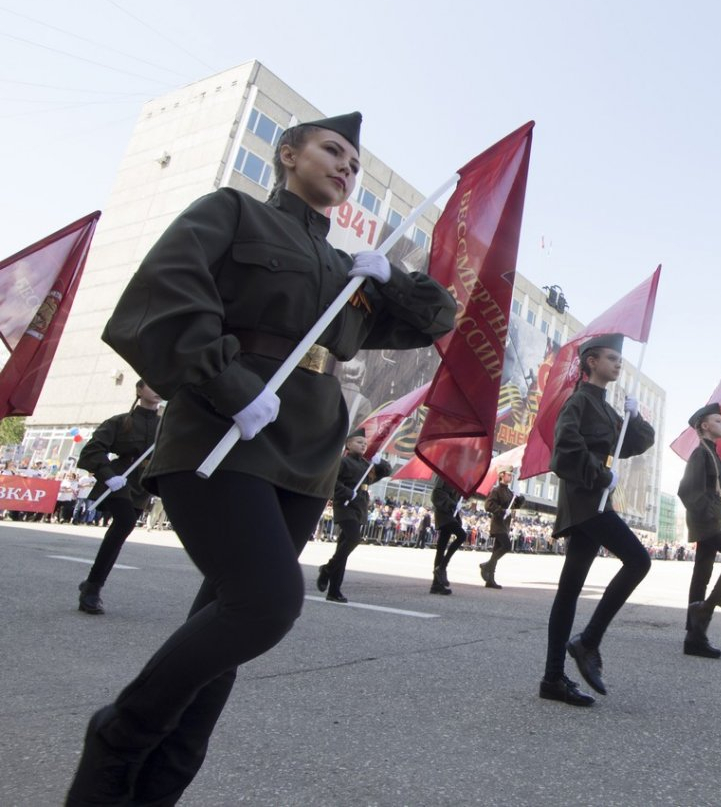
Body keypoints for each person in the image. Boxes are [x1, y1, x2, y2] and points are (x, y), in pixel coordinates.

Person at [66, 111, 457, 806]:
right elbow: (167, 291)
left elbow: (436, 319)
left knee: (222, 643)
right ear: (287, 155)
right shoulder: (233, 212)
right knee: (265, 604)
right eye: (332, 151)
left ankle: (154, 789)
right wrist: (225, 383)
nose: (346, 167)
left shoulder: (347, 268)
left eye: (355, 164)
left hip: (307, 451)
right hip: (227, 429)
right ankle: (118, 738)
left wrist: (390, 275)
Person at [540, 333, 654, 707]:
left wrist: (636, 418)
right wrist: (601, 475)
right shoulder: (578, 401)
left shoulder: (605, 408)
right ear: (591, 362)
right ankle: (587, 642)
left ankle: (553, 678)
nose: (618, 364)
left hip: (595, 496)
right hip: (587, 496)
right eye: (611, 358)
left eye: (619, 359)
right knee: (638, 560)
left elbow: (634, 444)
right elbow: (565, 449)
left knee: (570, 587)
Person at [75, 380, 163, 615]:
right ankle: (93, 588)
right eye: (151, 384)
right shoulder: (120, 422)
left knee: (121, 530)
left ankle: (91, 583)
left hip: (143, 483)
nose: (157, 389)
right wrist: (107, 474)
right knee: (125, 522)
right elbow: (92, 451)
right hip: (118, 479)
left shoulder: (166, 425)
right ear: (139, 389)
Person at [676, 402, 721, 658]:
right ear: (705, 426)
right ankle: (705, 609)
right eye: (718, 421)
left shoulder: (713, 454)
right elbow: (687, 491)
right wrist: (713, 513)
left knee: (702, 575)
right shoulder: (700, 454)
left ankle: (693, 636)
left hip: (711, 520)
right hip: (706, 522)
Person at [316, 428, 391, 603]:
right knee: (353, 539)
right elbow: (332, 481)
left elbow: (382, 473)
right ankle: (327, 569)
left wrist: (380, 463)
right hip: (345, 504)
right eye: (359, 442)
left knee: (343, 549)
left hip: (359, 506)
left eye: (365, 443)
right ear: (348, 444)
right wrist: (347, 492)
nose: (363, 445)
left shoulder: (366, 465)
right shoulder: (343, 462)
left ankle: (334, 590)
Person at [480, 466, 524, 589]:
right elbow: (488, 505)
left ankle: (490, 580)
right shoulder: (496, 490)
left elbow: (514, 506)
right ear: (502, 475)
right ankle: (486, 566)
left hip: (505, 525)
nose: (510, 476)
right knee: (507, 546)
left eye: (511, 475)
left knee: (496, 551)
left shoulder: (509, 492)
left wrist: (520, 499)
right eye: (508, 474)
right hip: (498, 524)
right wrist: (502, 510)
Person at [429, 476, 468, 594]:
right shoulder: (444, 474)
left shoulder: (457, 476)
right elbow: (436, 494)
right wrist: (452, 504)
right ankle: (441, 568)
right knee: (462, 535)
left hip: (451, 513)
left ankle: (436, 584)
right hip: (443, 513)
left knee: (441, 548)